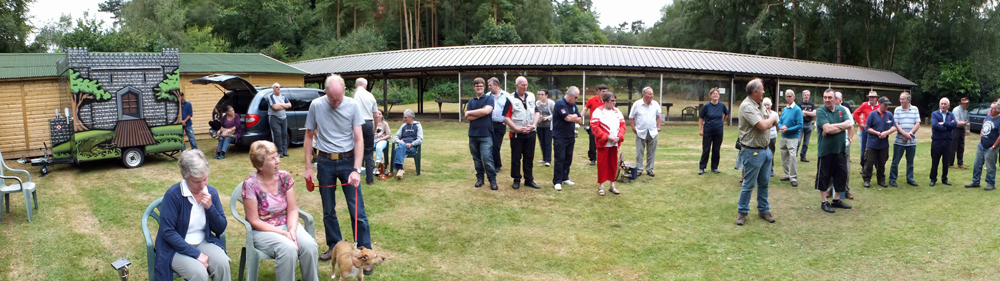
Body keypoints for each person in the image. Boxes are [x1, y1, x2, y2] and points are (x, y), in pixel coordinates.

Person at [304, 75, 373, 276]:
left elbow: (359, 139)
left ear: (344, 92)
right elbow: (308, 137)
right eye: (332, 99)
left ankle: (363, 252)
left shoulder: (352, 106)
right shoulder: (316, 105)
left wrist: (356, 169)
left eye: (339, 99)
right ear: (325, 92)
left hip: (347, 162)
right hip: (324, 162)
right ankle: (334, 246)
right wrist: (308, 167)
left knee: (357, 210)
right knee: (328, 209)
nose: (335, 103)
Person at [241, 140, 319, 281]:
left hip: (286, 224)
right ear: (259, 165)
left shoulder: (284, 177)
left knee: (309, 245)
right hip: (263, 230)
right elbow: (253, 220)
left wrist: (292, 231)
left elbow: (293, 209)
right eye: (271, 159)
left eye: (277, 156)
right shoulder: (250, 184)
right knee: (288, 249)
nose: (277, 161)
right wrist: (283, 233)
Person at [154, 149, 230, 281]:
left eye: (205, 179)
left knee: (222, 264)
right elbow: (168, 232)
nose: (202, 185)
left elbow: (220, 228)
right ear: (184, 176)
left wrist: (210, 208)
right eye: (196, 181)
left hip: (203, 240)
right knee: (199, 274)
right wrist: (196, 254)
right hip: (175, 247)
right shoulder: (173, 195)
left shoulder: (211, 192)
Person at [735, 78, 778, 226]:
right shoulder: (747, 106)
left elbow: (770, 121)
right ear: (755, 92)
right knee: (748, 184)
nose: (764, 92)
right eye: (762, 89)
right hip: (752, 152)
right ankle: (742, 213)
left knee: (764, 183)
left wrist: (772, 120)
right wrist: (773, 118)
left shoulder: (759, 105)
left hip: (765, 151)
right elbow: (762, 125)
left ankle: (763, 210)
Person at [815, 89, 854, 213]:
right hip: (826, 151)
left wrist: (833, 127)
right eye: (825, 97)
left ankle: (836, 200)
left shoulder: (841, 110)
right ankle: (824, 202)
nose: (827, 100)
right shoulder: (821, 111)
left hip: (840, 150)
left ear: (835, 98)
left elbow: (849, 124)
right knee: (824, 176)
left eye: (829, 97)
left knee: (841, 174)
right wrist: (839, 127)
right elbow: (827, 128)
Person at [502, 76, 540, 189]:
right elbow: (506, 117)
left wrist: (533, 125)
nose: (525, 87)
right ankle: (516, 179)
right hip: (516, 134)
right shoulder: (510, 99)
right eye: (522, 85)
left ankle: (529, 180)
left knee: (529, 157)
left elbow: (537, 112)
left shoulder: (531, 97)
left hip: (531, 133)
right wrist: (516, 128)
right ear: (517, 85)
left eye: (526, 84)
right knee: (516, 157)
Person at [465, 77, 498, 190]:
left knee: (487, 158)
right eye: (477, 86)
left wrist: (471, 112)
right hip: (473, 134)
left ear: (484, 87)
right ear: (474, 87)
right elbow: (468, 117)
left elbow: (487, 111)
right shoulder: (471, 101)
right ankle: (480, 179)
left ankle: (492, 180)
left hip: (486, 134)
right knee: (477, 159)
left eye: (481, 86)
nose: (479, 88)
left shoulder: (489, 98)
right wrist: (481, 112)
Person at [593, 91, 625, 196]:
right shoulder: (598, 111)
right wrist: (607, 137)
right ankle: (601, 186)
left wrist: (619, 137)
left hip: (614, 143)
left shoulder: (617, 111)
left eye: (615, 100)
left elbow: (622, 125)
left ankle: (612, 185)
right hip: (603, 143)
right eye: (612, 100)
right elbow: (595, 127)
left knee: (613, 164)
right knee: (602, 164)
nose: (614, 103)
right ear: (605, 101)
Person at [553, 86, 583, 191]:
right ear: (570, 95)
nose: (576, 100)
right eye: (575, 97)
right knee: (560, 158)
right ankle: (557, 181)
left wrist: (573, 117)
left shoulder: (573, 105)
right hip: (560, 136)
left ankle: (565, 177)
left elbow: (579, 119)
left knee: (568, 158)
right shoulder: (560, 103)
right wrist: (573, 117)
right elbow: (567, 118)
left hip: (570, 135)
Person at [862, 96, 896, 188]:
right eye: (885, 105)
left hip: (884, 144)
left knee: (882, 164)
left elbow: (894, 126)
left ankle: (881, 180)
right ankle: (867, 179)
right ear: (879, 104)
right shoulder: (872, 114)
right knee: (869, 163)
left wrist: (887, 132)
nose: (886, 107)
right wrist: (877, 133)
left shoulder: (889, 114)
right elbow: (867, 128)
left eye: (887, 105)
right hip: (872, 144)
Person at [967, 102, 1000, 190]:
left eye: (993, 108)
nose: (991, 109)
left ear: (998, 110)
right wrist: (980, 140)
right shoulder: (988, 117)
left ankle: (991, 183)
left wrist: (994, 147)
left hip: (991, 147)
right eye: (991, 108)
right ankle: (976, 181)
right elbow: (983, 127)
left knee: (990, 166)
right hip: (981, 145)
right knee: (977, 164)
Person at [890, 92, 920, 187]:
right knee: (895, 161)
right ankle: (893, 179)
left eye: (903, 99)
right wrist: (904, 134)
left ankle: (910, 179)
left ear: (908, 100)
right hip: (899, 141)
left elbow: (917, 123)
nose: (901, 101)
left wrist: (909, 134)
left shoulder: (915, 109)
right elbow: (896, 124)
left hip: (911, 141)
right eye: (900, 99)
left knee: (910, 162)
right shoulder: (897, 110)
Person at [630, 86, 662, 177]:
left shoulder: (655, 104)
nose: (651, 96)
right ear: (644, 94)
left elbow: (659, 116)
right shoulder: (637, 104)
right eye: (649, 94)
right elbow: (631, 117)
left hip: (653, 132)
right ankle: (639, 169)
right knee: (639, 152)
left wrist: (658, 128)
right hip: (640, 131)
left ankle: (650, 169)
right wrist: (633, 128)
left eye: (652, 94)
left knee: (651, 151)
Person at [353, 78, 379, 184]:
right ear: (365, 85)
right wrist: (374, 128)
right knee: (368, 152)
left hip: (358, 123)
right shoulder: (370, 96)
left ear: (356, 85)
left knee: (355, 151)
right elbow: (376, 115)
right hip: (369, 123)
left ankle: (354, 175)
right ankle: (370, 179)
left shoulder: (355, 96)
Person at [698, 87, 728, 175]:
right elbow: (701, 118)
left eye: (717, 94)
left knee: (716, 149)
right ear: (710, 96)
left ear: (719, 96)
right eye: (713, 94)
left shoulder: (722, 106)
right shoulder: (706, 106)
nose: (715, 95)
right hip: (708, 130)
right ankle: (702, 168)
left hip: (718, 131)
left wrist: (722, 122)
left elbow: (726, 114)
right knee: (706, 149)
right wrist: (700, 130)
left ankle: (714, 167)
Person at [930, 97, 958, 186]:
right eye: (942, 104)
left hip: (948, 142)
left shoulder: (951, 115)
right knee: (935, 161)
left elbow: (954, 124)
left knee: (946, 161)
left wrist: (944, 123)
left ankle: (944, 179)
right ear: (939, 104)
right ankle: (933, 179)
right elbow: (935, 125)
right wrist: (947, 128)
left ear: (948, 105)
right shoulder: (934, 114)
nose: (943, 105)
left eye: (945, 104)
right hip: (937, 142)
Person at [778, 89, 803, 187]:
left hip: (792, 137)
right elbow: (780, 121)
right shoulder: (785, 109)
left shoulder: (797, 109)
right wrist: (781, 127)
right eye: (787, 96)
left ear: (794, 97)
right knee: (784, 156)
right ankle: (787, 174)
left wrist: (788, 129)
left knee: (792, 157)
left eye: (790, 96)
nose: (788, 98)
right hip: (783, 137)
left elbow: (800, 125)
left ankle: (793, 177)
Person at [834, 92, 855, 200]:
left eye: (836, 98)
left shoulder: (845, 110)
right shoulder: (826, 110)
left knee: (845, 168)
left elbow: (851, 127)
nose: (835, 100)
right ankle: (829, 189)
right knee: (830, 167)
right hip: (831, 143)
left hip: (844, 143)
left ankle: (846, 190)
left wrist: (849, 140)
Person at [392, 109, 423, 180]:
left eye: (405, 117)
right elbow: (395, 137)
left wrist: (412, 144)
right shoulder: (403, 126)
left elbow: (420, 139)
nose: (404, 119)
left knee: (397, 149)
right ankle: (400, 169)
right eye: (403, 117)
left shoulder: (417, 126)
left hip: (411, 148)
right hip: (402, 145)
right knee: (401, 145)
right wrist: (399, 141)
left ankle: (399, 168)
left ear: (411, 117)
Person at [853, 91, 879, 167]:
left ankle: (877, 166)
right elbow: (856, 113)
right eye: (870, 97)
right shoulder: (865, 105)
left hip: (875, 130)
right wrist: (860, 123)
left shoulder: (879, 106)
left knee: (877, 148)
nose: (871, 99)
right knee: (864, 149)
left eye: (873, 97)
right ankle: (864, 165)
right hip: (866, 129)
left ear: (876, 98)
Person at [585, 84, 610, 166]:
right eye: (603, 91)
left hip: (605, 124)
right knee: (593, 141)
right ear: (598, 91)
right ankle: (592, 159)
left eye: (606, 91)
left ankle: (605, 158)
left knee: (605, 141)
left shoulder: (608, 101)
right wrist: (579, 117)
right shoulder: (591, 100)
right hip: (594, 124)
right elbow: (585, 109)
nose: (605, 93)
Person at [488, 77, 509, 172]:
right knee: (490, 145)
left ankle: (497, 166)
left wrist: (507, 120)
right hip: (489, 124)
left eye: (490, 85)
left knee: (496, 145)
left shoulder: (506, 96)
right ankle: (494, 164)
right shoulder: (487, 96)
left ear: (496, 85)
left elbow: (511, 109)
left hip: (501, 125)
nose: (489, 87)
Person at [268, 83, 292, 158]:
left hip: (284, 117)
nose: (278, 88)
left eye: (279, 87)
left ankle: (285, 151)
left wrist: (280, 105)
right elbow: (275, 107)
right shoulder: (271, 96)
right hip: (274, 117)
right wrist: (284, 105)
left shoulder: (283, 96)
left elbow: (289, 105)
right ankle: (279, 152)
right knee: (277, 135)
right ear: (273, 89)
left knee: (284, 134)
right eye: (276, 87)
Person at [536, 89, 555, 166]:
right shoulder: (537, 103)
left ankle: (548, 160)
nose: (540, 96)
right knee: (542, 142)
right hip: (539, 126)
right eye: (539, 94)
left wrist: (547, 118)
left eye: (542, 94)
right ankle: (544, 158)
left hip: (548, 126)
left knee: (547, 143)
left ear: (546, 95)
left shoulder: (551, 103)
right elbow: (535, 112)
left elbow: (555, 113)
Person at [950, 97, 971, 169]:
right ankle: (950, 163)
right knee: (953, 146)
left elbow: (966, 121)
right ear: (962, 103)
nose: (966, 105)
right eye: (965, 103)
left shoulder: (966, 111)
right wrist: (963, 123)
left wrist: (966, 129)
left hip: (962, 129)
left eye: (967, 103)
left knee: (961, 146)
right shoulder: (956, 110)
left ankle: (960, 163)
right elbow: (957, 122)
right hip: (955, 129)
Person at [798, 90, 816, 162]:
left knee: (806, 143)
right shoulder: (799, 104)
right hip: (801, 124)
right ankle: (794, 155)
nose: (806, 96)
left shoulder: (812, 105)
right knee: (798, 141)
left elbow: (814, 114)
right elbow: (799, 114)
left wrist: (805, 112)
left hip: (809, 124)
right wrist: (809, 113)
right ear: (803, 96)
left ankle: (803, 156)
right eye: (805, 95)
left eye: (808, 95)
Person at [762, 98, 778, 176]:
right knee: (763, 153)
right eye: (765, 105)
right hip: (764, 136)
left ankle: (771, 169)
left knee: (771, 153)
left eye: (768, 104)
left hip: (772, 136)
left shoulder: (774, 114)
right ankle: (763, 169)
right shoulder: (761, 114)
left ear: (770, 105)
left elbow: (777, 125)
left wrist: (776, 133)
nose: (766, 106)